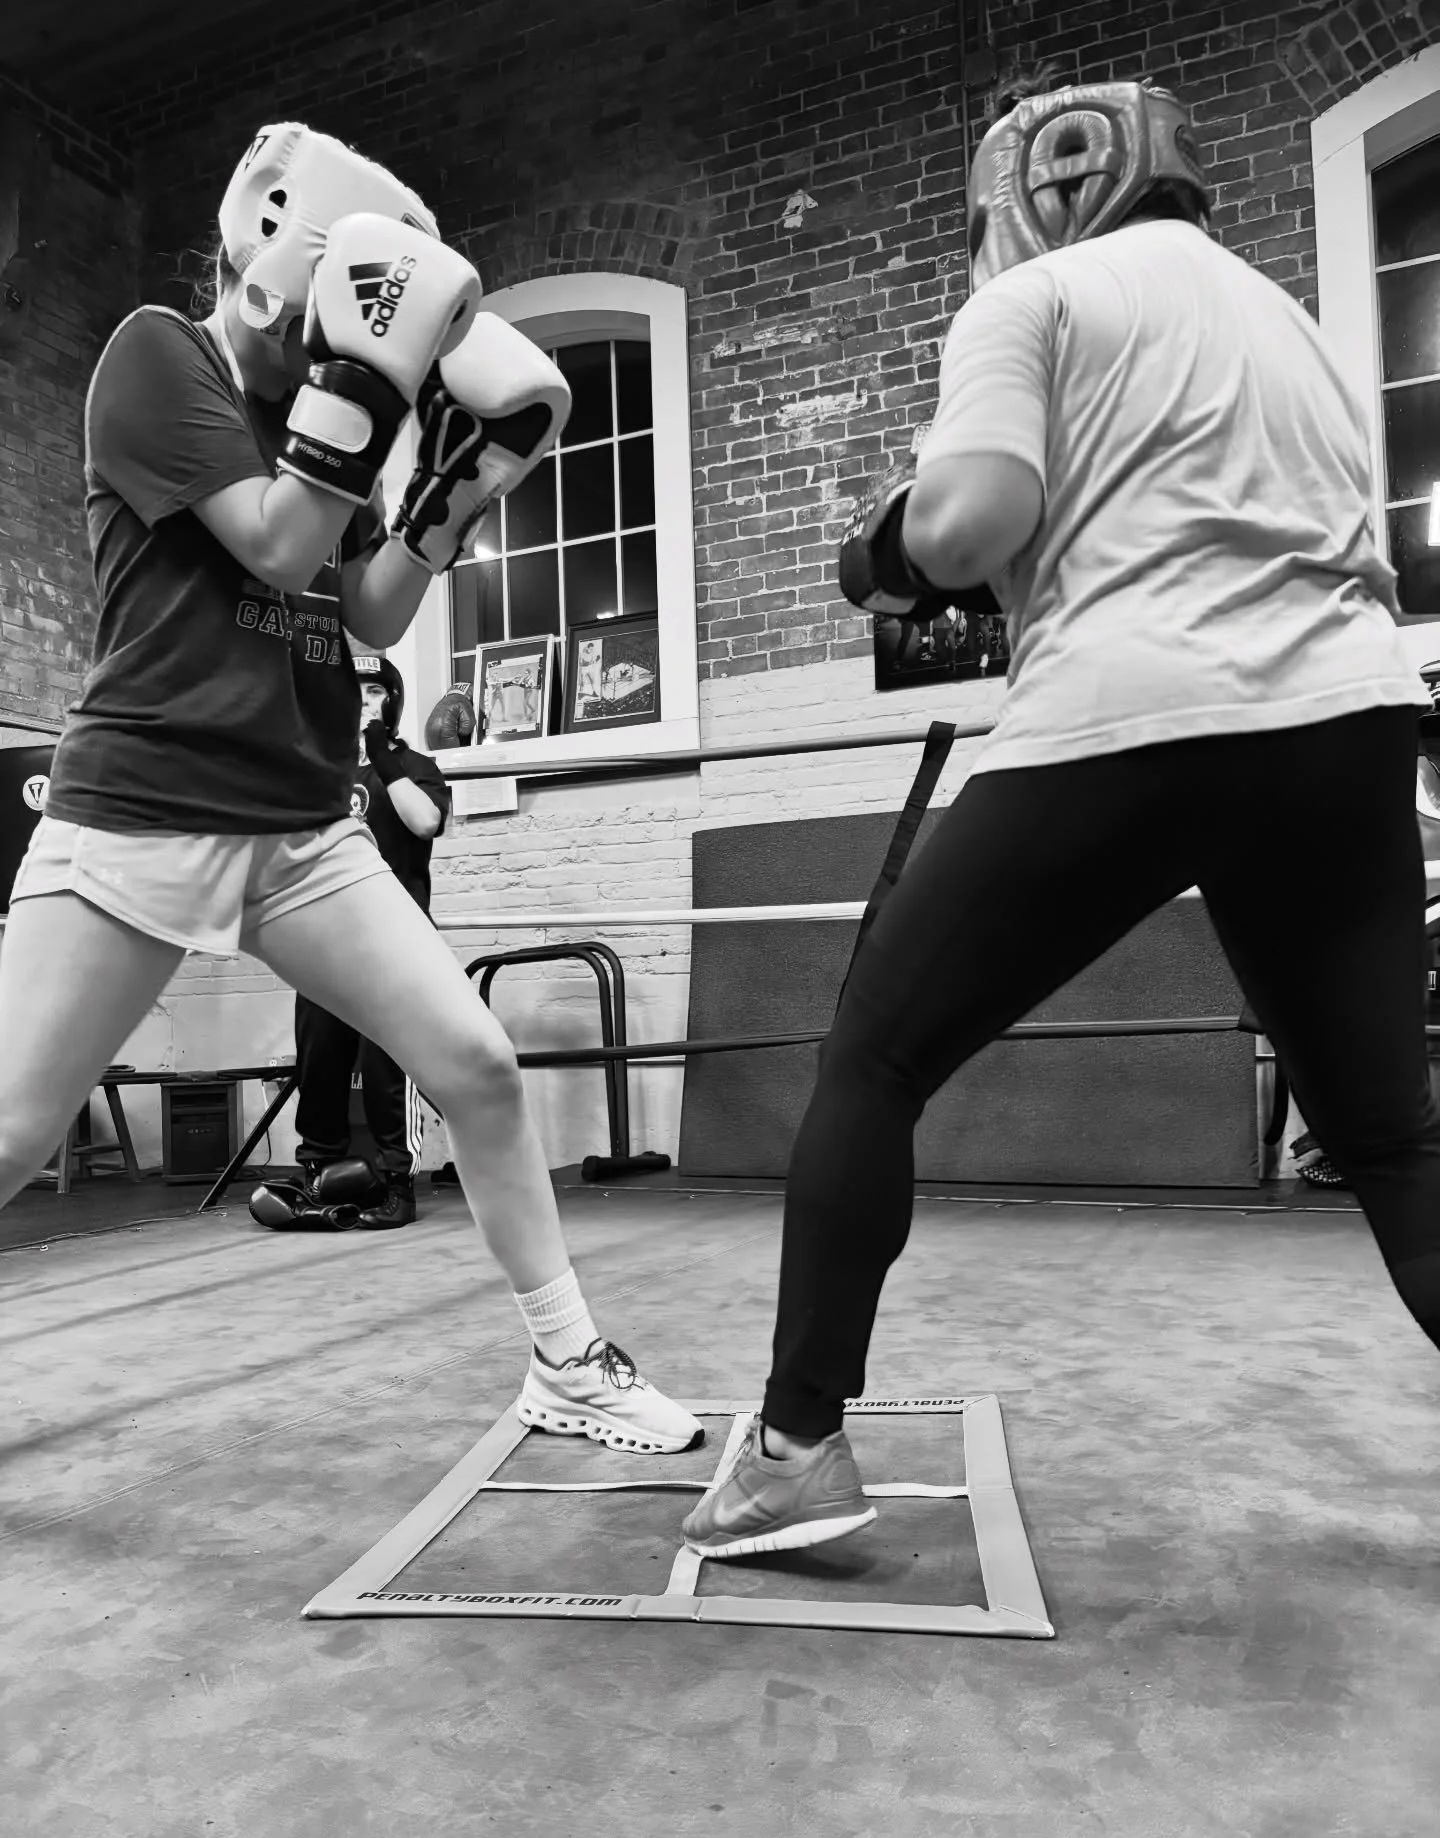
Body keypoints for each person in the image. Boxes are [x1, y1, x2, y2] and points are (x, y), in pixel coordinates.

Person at [683, 76, 1440, 1558]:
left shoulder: (1034, 303)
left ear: (1040, 192)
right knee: (1398, 1144)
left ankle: (793, 1449)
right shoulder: (1292, 325)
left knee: (878, 1056)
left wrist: (883, 551)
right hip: (1352, 725)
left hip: (1140, 711)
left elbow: (971, 520)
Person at [0, 122, 699, 1457]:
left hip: (304, 826)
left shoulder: (327, 409)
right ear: (277, 236)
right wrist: (367, 403)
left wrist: (462, 484)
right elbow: (273, 547)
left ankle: (568, 1360)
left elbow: (368, 608)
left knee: (478, 1069)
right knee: (10, 1131)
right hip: (144, 805)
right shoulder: (161, 356)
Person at [269, 653, 449, 1230]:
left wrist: (383, 759)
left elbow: (425, 823)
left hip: (396, 943)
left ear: (390, 703)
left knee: (387, 1063)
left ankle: (399, 1182)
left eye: (374, 694)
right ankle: (318, 1173)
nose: (363, 704)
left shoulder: (414, 765)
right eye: (355, 694)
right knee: (319, 1060)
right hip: (328, 941)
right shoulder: (318, 773)